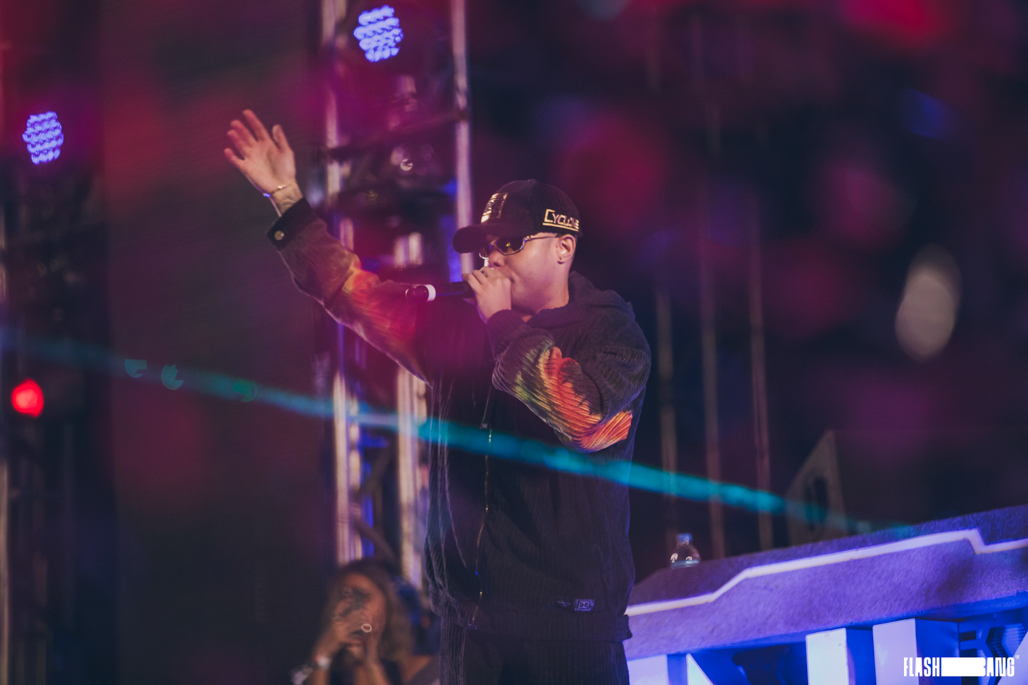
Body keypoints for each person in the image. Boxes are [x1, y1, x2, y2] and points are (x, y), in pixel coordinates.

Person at [225, 110, 651, 685]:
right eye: (486, 246)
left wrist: (502, 324)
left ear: (562, 248)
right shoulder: (458, 325)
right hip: (471, 629)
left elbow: (581, 418)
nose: (492, 258)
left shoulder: (610, 333)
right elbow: (352, 292)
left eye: (510, 243)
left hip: (568, 629)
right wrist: (286, 199)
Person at [300, 559, 439, 685]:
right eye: (345, 597)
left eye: (363, 597)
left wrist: (372, 665)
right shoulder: (327, 668)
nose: (354, 607)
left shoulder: (419, 668)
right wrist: (322, 653)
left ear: (387, 604)